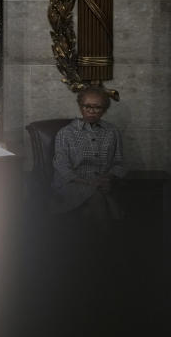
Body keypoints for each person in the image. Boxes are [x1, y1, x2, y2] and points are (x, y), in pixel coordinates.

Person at [51, 86, 126, 230]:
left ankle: (93, 246)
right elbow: (61, 166)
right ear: (80, 107)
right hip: (72, 184)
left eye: (98, 107)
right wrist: (89, 182)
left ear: (104, 110)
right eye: (87, 106)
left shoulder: (112, 132)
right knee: (97, 198)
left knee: (92, 209)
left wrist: (107, 178)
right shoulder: (66, 133)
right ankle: (103, 246)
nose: (92, 111)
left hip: (103, 183)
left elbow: (119, 163)